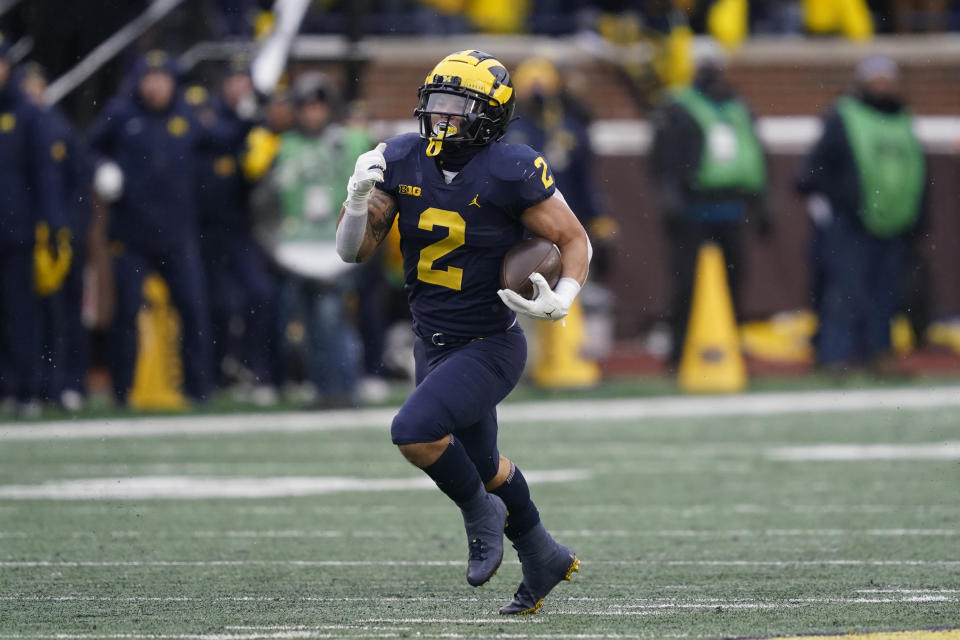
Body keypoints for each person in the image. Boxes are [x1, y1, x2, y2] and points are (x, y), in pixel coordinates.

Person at [335, 50, 589, 615]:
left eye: (459, 108)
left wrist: (563, 299)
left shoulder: (513, 169)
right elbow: (352, 253)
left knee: (414, 431)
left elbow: (575, 240)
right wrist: (355, 202)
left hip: (489, 344)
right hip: (434, 341)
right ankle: (543, 554)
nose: (443, 118)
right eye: (438, 104)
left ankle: (482, 517)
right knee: (485, 465)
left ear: (492, 117)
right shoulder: (400, 158)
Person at [87, 50, 250, 406]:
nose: (157, 86)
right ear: (140, 82)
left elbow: (224, 140)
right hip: (130, 237)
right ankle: (122, 392)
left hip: (178, 237)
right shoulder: (121, 113)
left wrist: (246, 115)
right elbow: (87, 150)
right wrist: (101, 169)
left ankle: (198, 390)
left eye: (163, 79)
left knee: (193, 310)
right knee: (126, 313)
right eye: (150, 78)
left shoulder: (187, 115)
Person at [796, 54, 927, 372]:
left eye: (886, 78)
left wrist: (918, 217)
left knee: (886, 294)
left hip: (895, 222)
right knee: (845, 291)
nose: (882, 85)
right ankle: (834, 355)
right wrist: (842, 202)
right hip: (851, 221)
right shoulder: (843, 116)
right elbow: (814, 171)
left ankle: (879, 353)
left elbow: (917, 171)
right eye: (876, 78)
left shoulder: (902, 118)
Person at [649, 53, 771, 368]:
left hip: (732, 206)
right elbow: (663, 157)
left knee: (735, 281)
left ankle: (731, 343)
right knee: (685, 283)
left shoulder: (738, 107)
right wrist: (670, 197)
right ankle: (679, 350)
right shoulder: (678, 106)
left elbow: (755, 155)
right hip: (693, 208)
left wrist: (762, 203)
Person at [257, 73, 371, 406]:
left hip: (335, 245)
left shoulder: (347, 141)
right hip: (297, 247)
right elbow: (268, 195)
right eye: (306, 107)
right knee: (307, 321)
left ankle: (345, 388)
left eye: (318, 107)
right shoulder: (285, 146)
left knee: (331, 317)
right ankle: (323, 389)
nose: (312, 114)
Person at [189, 61, 279, 404]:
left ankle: (255, 370)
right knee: (217, 306)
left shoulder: (255, 122)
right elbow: (216, 139)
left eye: (245, 80)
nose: (239, 87)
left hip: (242, 228)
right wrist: (245, 123)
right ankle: (214, 376)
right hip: (205, 231)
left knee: (261, 295)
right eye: (234, 80)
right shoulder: (210, 113)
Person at [0, 37, 69, 417]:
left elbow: (45, 175)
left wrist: (54, 224)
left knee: (20, 314)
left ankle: (27, 389)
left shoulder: (27, 114)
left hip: (16, 232)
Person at [20, 62, 91, 411]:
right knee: (29, 316)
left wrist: (69, 227)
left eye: (38, 88)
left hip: (59, 237)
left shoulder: (58, 127)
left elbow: (79, 181)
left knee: (65, 313)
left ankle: (68, 382)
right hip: (24, 238)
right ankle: (31, 385)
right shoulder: (16, 126)